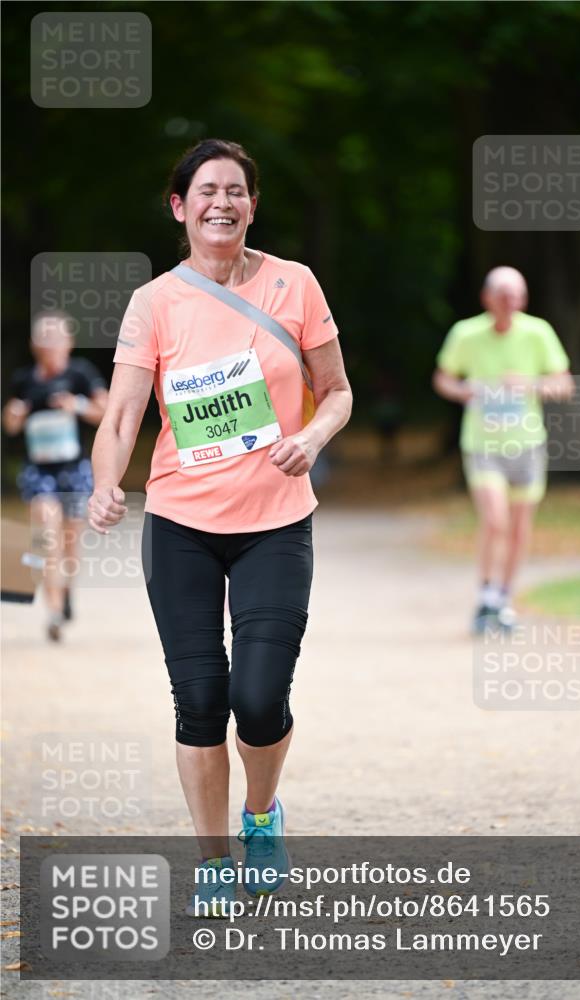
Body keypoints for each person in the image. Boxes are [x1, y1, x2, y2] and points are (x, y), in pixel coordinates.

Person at [87, 139, 352, 915]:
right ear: (180, 206)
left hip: (275, 519)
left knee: (259, 696)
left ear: (251, 205)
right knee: (200, 698)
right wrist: (108, 483)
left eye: (235, 191)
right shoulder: (154, 303)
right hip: (180, 523)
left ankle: (261, 817)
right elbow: (124, 415)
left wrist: (311, 436)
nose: (221, 203)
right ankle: (212, 861)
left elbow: (336, 391)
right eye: (205, 191)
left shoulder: (293, 285)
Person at [432, 266, 573, 634]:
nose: (510, 302)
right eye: (503, 295)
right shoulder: (466, 333)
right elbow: (443, 377)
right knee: (495, 520)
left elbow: (564, 384)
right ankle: (485, 595)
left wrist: (530, 384)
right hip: (482, 444)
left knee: (519, 528)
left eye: (517, 296)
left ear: (524, 300)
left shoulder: (538, 333)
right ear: (487, 298)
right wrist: (464, 391)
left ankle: (503, 599)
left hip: (526, 444)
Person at [2, 311, 108, 640]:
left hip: (73, 468)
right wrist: (14, 414)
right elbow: (9, 424)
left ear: (69, 342)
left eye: (56, 337)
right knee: (47, 537)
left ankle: (66, 591)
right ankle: (52, 610)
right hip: (39, 470)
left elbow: (105, 410)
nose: (50, 344)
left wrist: (75, 406)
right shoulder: (24, 379)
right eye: (44, 338)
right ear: (35, 345)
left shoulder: (80, 375)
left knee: (70, 541)